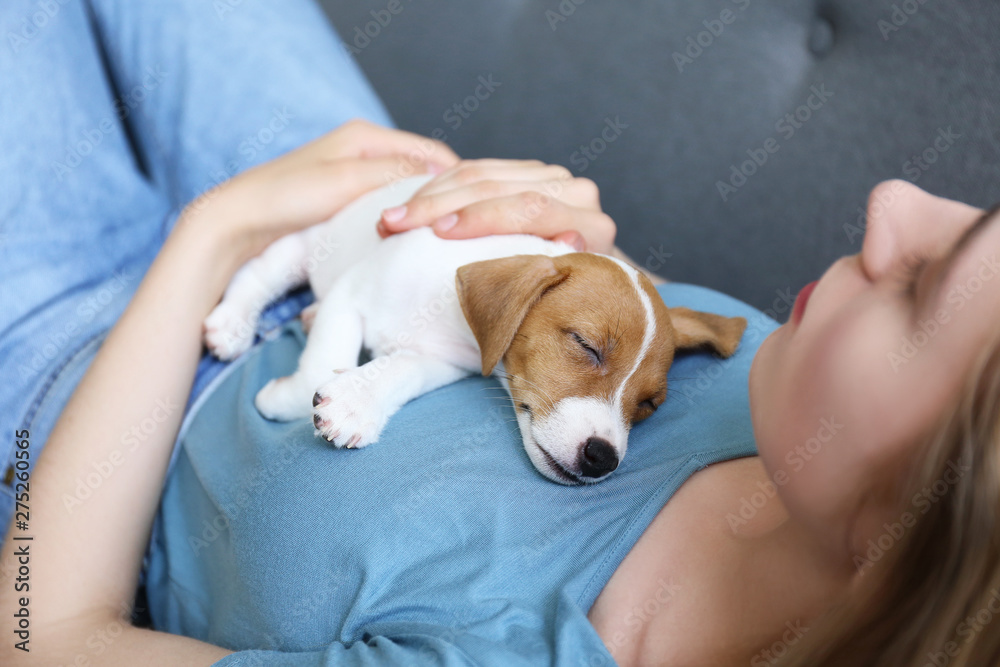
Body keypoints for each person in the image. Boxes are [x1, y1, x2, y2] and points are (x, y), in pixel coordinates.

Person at [1, 2, 998, 666]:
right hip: (366, 213)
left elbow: (36, 634)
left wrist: (210, 236)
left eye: (922, 293)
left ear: (899, 546)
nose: (893, 201)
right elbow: (593, 306)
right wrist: (547, 235)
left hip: (103, 385)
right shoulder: (773, 366)